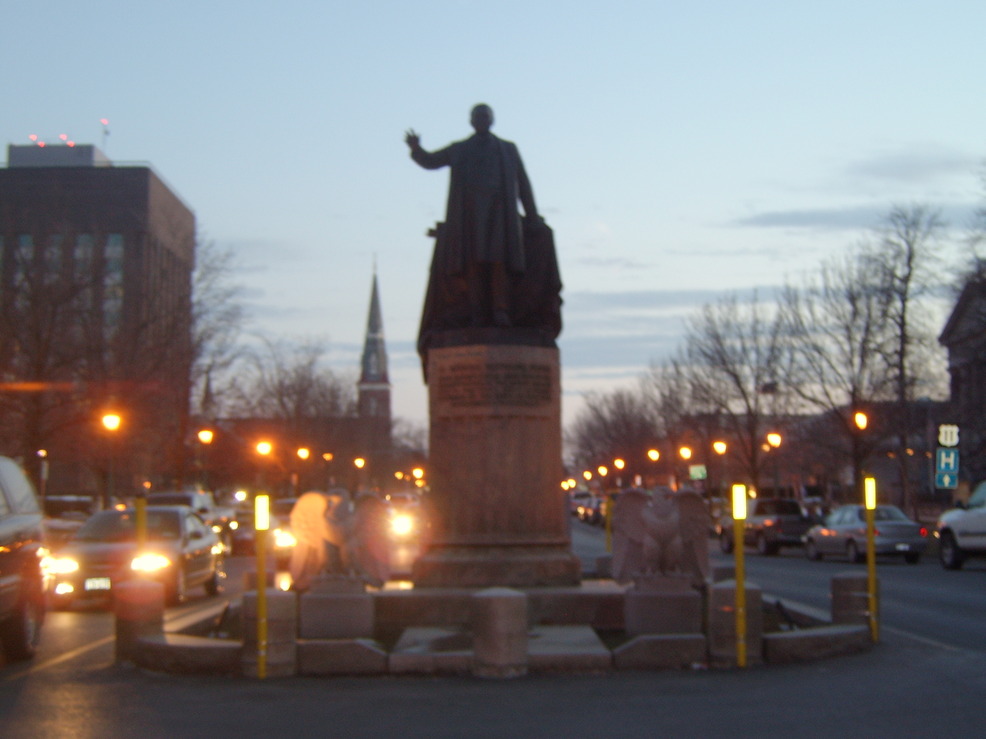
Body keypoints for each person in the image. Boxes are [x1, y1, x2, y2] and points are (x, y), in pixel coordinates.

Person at [405, 104, 543, 328]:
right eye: (478, 117)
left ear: (492, 120)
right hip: (469, 215)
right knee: (473, 263)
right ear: (471, 121)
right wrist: (416, 149)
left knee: (499, 263)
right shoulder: (460, 149)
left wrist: (533, 216)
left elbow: (523, 183)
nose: (482, 120)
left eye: (486, 116)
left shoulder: (508, 149)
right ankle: (477, 312)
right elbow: (432, 161)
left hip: (500, 213)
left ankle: (501, 310)